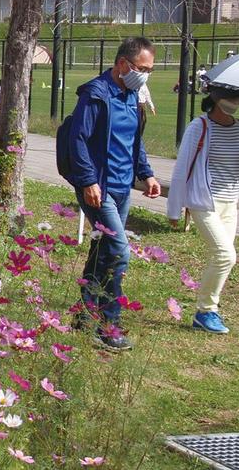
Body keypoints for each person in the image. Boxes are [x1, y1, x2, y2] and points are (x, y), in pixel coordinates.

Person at [66, 37, 161, 351]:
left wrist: (145, 174)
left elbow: (134, 141)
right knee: (119, 252)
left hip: (122, 187)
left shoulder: (132, 94)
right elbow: (78, 139)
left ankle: (84, 315)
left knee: (103, 252)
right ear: (123, 64)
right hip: (99, 188)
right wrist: (88, 180)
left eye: (149, 70)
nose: (145, 75)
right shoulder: (95, 94)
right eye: (142, 68)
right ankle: (109, 324)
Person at [167, 85, 239, 334]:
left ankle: (208, 310)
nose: (234, 101)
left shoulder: (238, 128)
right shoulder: (199, 126)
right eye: (231, 96)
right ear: (217, 97)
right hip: (203, 202)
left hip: (230, 203)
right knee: (225, 256)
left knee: (222, 258)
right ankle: (206, 311)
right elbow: (181, 169)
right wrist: (174, 209)